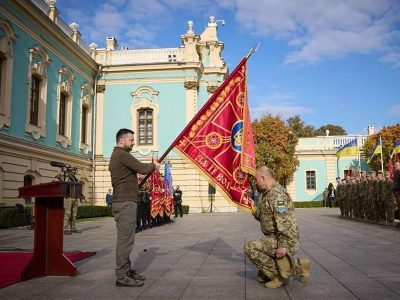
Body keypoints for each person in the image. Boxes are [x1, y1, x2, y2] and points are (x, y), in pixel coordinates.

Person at [243, 166, 310, 289]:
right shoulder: (267, 193)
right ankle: (299, 266)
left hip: (285, 239)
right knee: (261, 275)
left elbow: (284, 221)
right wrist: (252, 207)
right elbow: (262, 216)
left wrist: (283, 245)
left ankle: (279, 276)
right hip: (274, 237)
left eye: (257, 180)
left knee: (249, 247)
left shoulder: (277, 194)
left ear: (263, 178)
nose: (256, 183)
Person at [109, 128, 161, 288]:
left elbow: (132, 173)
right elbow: (143, 168)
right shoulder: (122, 154)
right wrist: (154, 165)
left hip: (125, 202)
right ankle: (122, 276)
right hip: (125, 203)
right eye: (131, 140)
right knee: (125, 241)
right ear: (122, 140)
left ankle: (126, 270)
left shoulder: (119, 155)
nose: (133, 142)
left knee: (127, 240)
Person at [62, 168, 82, 235]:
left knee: (74, 213)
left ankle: (73, 227)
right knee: (68, 213)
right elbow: (64, 187)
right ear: (69, 171)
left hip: (75, 197)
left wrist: (80, 195)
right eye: (73, 171)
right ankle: (65, 228)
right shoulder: (66, 178)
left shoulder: (75, 178)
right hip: (68, 198)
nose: (74, 172)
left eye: (74, 171)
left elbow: (77, 188)